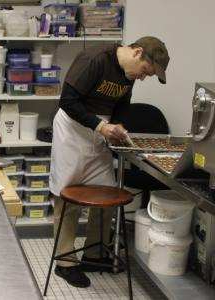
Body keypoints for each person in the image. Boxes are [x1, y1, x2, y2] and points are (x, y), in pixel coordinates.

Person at [49, 36, 170, 288]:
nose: (143, 77)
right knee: (67, 196)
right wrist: (101, 126)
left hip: (100, 130)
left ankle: (94, 255)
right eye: (146, 71)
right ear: (137, 53)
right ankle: (65, 263)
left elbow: (122, 104)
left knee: (105, 193)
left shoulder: (129, 73)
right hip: (72, 129)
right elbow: (67, 101)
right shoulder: (95, 59)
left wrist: (117, 127)